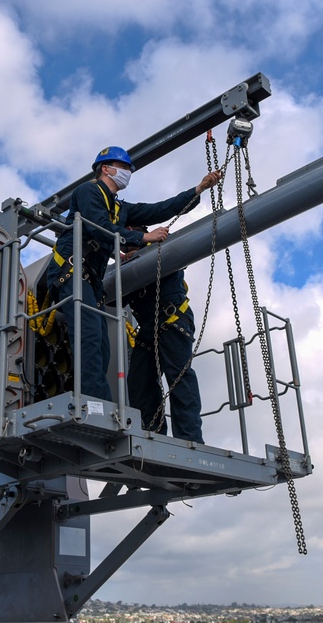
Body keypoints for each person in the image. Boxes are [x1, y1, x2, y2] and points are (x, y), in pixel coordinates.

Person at [46, 145, 221, 402]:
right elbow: (98, 227)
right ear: (106, 168)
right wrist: (143, 237)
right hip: (71, 272)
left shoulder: (121, 209)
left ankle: (98, 403)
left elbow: (161, 209)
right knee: (90, 339)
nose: (129, 172)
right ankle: (96, 407)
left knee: (102, 347)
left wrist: (198, 189)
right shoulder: (89, 192)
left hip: (89, 279)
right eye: (125, 167)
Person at [125, 267, 204, 443]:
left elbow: (178, 250)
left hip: (172, 317)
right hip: (147, 328)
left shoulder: (158, 244)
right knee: (139, 382)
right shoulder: (127, 266)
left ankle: (189, 438)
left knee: (178, 377)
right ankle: (152, 434)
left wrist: (142, 240)